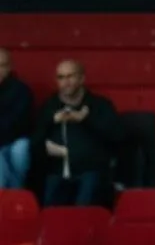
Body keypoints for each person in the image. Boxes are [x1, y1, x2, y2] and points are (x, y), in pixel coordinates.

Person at [34, 59, 123, 207]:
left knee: (84, 209)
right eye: (61, 77)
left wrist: (86, 119)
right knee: (50, 215)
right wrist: (50, 127)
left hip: (91, 170)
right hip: (57, 172)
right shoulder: (49, 107)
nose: (66, 82)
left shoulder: (99, 105)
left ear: (82, 78)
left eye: (70, 76)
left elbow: (118, 135)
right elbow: (35, 141)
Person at [0, 48, 33, 189]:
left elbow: (18, 123)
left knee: (20, 150)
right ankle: (14, 197)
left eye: (2, 65)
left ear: (9, 67)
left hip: (15, 140)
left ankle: (16, 194)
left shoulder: (21, 90)